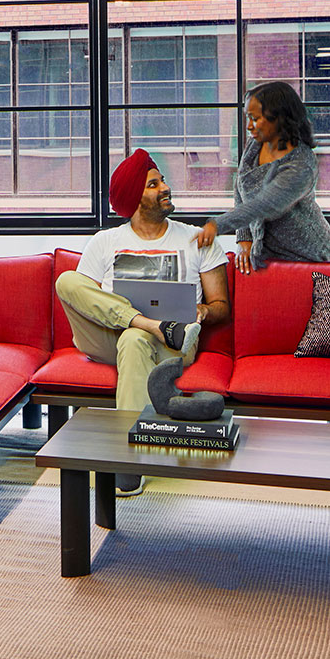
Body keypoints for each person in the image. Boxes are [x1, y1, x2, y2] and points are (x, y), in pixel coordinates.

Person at [56, 149, 230, 496]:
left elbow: (221, 306)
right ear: (136, 198)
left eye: (162, 180)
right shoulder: (105, 242)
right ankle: (147, 323)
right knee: (67, 281)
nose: (165, 187)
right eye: (154, 184)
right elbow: (83, 298)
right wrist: (143, 320)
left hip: (172, 344)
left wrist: (203, 311)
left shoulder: (196, 239)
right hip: (108, 337)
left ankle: (129, 463)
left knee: (134, 341)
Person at [194, 81, 330, 273]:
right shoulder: (257, 143)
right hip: (267, 255)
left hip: (310, 259)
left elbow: (266, 204)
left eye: (254, 118)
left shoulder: (301, 164)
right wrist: (244, 238)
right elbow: (241, 185)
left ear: (278, 118)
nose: (248, 126)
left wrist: (217, 225)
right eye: (248, 117)